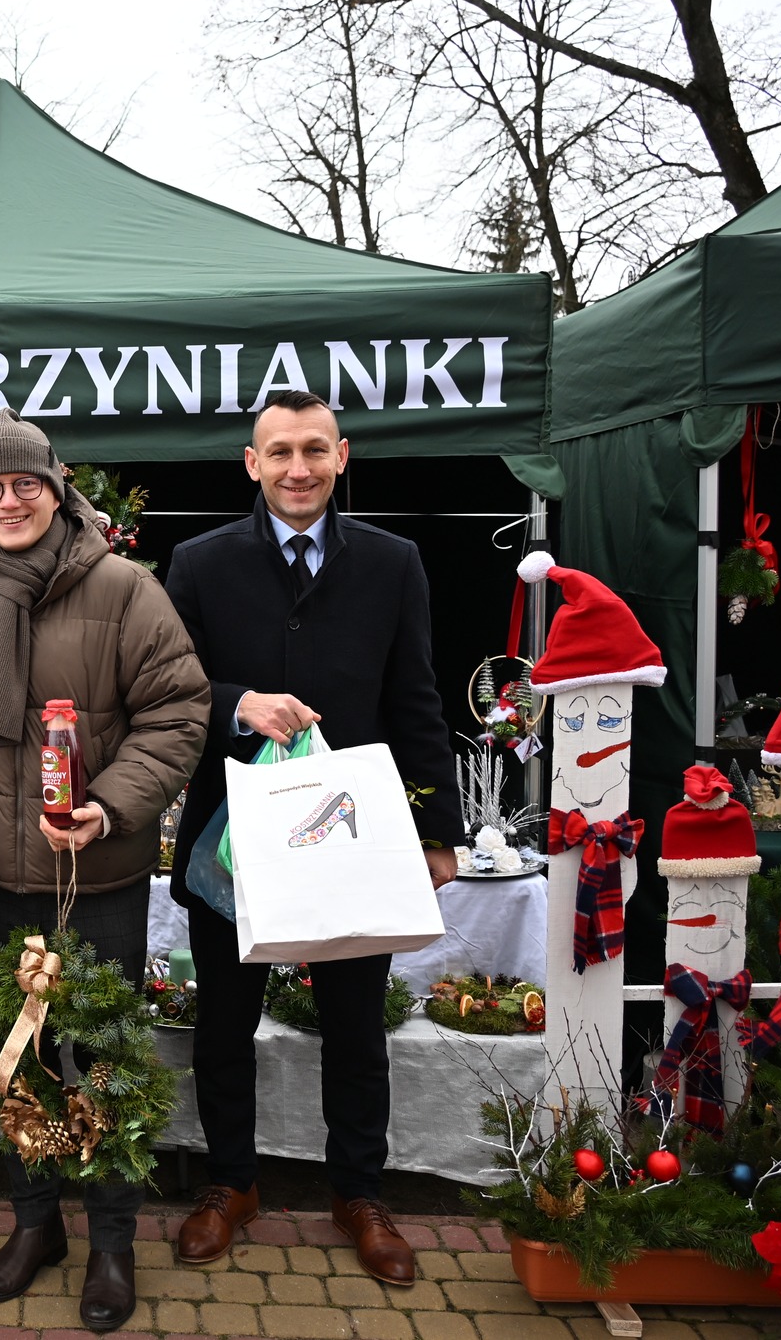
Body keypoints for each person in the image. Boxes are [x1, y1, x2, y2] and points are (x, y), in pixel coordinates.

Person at [163, 388, 462, 1288]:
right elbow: (166, 686)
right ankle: (232, 1183)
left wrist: (436, 831)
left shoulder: (393, 561)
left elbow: (416, 699)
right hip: (234, 845)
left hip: (352, 843)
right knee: (224, 1023)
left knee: (355, 1029)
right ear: (251, 464)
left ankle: (358, 1193)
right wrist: (233, 702)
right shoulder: (200, 562)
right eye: (280, 452)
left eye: (315, 450)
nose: (299, 468)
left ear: (343, 456)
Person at [0, 409, 211, 1332]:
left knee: (109, 1057)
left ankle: (113, 1243)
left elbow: (179, 708)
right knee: (20, 1055)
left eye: (25, 483)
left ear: (57, 488)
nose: (9, 500)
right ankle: (35, 1221)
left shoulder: (124, 588)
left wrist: (115, 801)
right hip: (0, 875)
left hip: (102, 874)